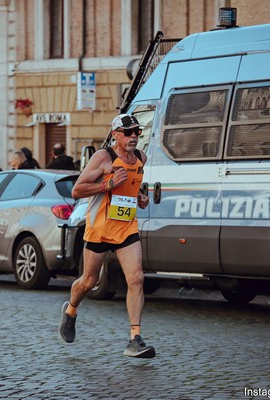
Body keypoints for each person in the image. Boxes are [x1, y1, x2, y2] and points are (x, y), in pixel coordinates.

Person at [59, 114, 155, 358]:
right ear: (115, 134)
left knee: (136, 277)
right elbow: (77, 190)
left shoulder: (141, 158)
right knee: (89, 281)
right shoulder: (102, 157)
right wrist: (107, 185)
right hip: (100, 229)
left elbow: (133, 189)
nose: (134, 136)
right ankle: (70, 310)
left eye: (137, 132)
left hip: (125, 227)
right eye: (128, 132)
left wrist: (140, 198)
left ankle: (135, 338)